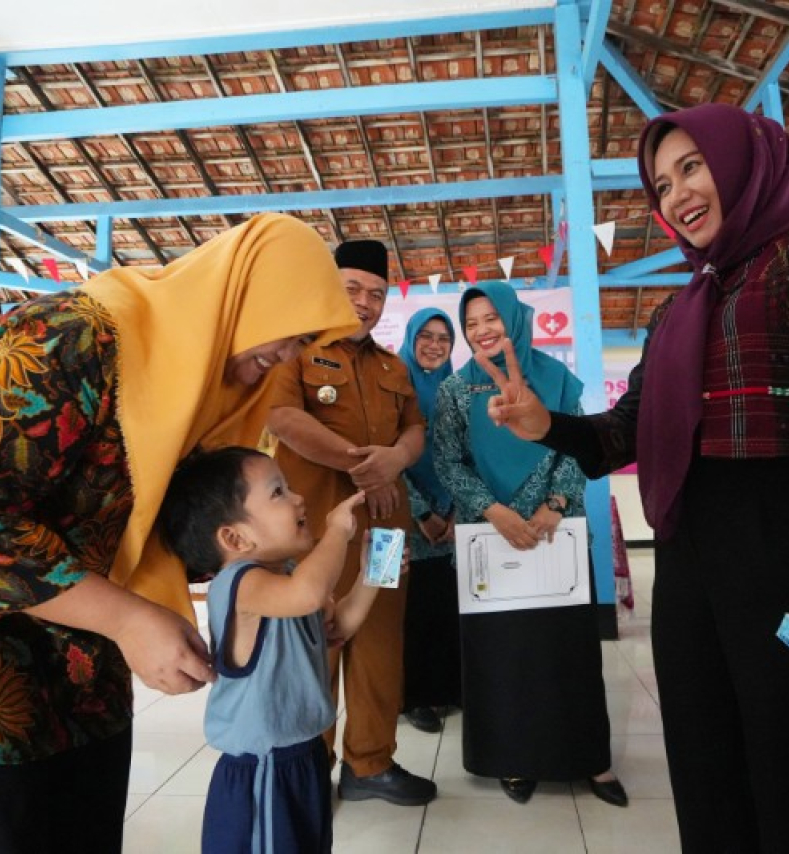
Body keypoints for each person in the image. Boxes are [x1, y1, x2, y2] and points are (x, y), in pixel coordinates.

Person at [476, 104, 789, 850]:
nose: (677, 195)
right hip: (694, 564)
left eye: (691, 167)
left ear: (743, 161)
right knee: (710, 770)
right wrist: (547, 427)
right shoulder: (679, 309)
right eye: (661, 184)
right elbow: (626, 432)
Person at [0, 214, 360, 853]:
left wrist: (284, 583)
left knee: (75, 798)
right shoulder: (74, 336)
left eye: (305, 340)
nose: (289, 354)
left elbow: (178, 517)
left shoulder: (206, 390)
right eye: (288, 328)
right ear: (242, 296)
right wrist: (128, 619)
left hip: (67, 622)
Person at [431, 281, 625, 808]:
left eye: (491, 317)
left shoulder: (557, 379)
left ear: (515, 319)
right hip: (488, 537)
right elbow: (448, 461)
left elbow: (578, 445)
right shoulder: (455, 391)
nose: (481, 330)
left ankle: (591, 760)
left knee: (569, 651)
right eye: (471, 324)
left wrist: (553, 506)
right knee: (503, 654)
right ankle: (513, 757)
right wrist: (495, 512)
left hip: (554, 533)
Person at [266, 239, 435, 806]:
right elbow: (284, 419)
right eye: (353, 288)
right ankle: (311, 766)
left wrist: (398, 459)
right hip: (315, 532)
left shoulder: (394, 365)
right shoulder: (296, 353)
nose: (366, 302)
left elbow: (415, 430)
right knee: (318, 642)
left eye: (378, 294)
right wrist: (366, 467)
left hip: (385, 531)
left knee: (380, 642)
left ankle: (370, 764)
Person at [157, 447, 380, 854]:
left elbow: (339, 627)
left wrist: (371, 576)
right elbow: (309, 594)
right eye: (278, 492)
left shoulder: (289, 580)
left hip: (303, 755)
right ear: (234, 537)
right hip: (264, 767)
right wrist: (336, 533)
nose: (298, 498)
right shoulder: (240, 583)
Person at [398, 307, 461, 734]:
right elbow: (386, 456)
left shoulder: (458, 389)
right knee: (403, 609)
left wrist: (454, 511)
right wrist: (420, 511)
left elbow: (466, 454)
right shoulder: (392, 385)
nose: (435, 345)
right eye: (426, 335)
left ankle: (445, 688)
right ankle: (410, 696)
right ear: (410, 338)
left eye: (444, 337)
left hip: (453, 516)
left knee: (444, 604)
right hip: (398, 516)